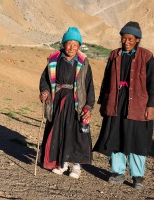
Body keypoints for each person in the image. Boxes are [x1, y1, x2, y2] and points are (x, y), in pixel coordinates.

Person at [93, 21, 154, 189]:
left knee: (138, 141)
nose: (125, 42)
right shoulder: (114, 55)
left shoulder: (147, 56)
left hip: (139, 105)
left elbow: (153, 84)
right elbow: (106, 80)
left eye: (130, 39)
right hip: (116, 103)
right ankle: (118, 172)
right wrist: (103, 102)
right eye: (123, 38)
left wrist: (151, 106)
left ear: (137, 40)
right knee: (116, 137)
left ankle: (137, 176)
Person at [39, 27, 95, 179]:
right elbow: (45, 79)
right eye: (69, 43)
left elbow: (89, 85)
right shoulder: (54, 60)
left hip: (77, 103)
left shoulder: (83, 63)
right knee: (60, 132)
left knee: (76, 134)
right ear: (63, 44)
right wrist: (44, 91)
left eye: (75, 44)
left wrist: (89, 106)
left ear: (79, 46)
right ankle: (61, 163)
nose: (72, 47)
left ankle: (76, 167)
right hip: (58, 102)